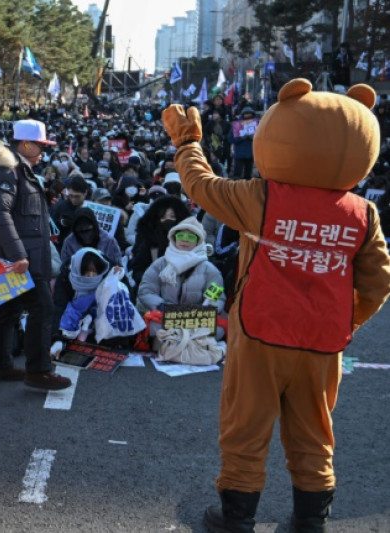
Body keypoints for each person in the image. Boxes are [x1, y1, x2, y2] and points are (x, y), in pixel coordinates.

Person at [163, 80, 390, 532]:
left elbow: (201, 186)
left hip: (261, 329)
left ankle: (236, 518)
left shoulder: (261, 197)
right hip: (323, 341)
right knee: (314, 433)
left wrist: (189, 142)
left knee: (246, 426)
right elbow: (379, 283)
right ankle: (310, 522)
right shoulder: (363, 214)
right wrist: (346, 320)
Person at [0, 119, 72, 390]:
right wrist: (19, 254)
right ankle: (39, 371)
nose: (44, 150)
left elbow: (17, 210)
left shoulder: (18, 170)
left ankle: (0, 365)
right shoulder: (6, 170)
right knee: (42, 308)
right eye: (41, 144)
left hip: (20, 255)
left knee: (7, 311)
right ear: (26, 144)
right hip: (19, 259)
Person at [136, 216, 226, 326]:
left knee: (219, 330)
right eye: (180, 236)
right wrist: (161, 306)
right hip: (164, 317)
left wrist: (204, 311)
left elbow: (218, 299)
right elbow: (146, 291)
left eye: (191, 237)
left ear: (198, 241)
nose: (184, 240)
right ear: (174, 239)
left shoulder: (209, 269)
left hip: (196, 321)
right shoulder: (160, 264)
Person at [58, 207, 123, 268]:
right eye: (80, 231)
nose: (85, 235)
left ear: (94, 227)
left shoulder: (109, 241)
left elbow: (118, 265)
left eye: (88, 230)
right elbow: (64, 266)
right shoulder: (69, 242)